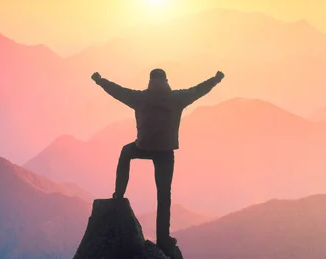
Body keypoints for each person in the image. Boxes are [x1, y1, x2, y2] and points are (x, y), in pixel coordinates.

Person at [91, 68, 225, 249]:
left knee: (125, 153)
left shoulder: (140, 98)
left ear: (150, 81)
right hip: (166, 151)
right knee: (163, 194)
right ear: (166, 80)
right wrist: (215, 80)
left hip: (143, 147)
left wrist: (100, 81)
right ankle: (163, 238)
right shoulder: (177, 98)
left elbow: (117, 91)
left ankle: (119, 195)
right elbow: (199, 90)